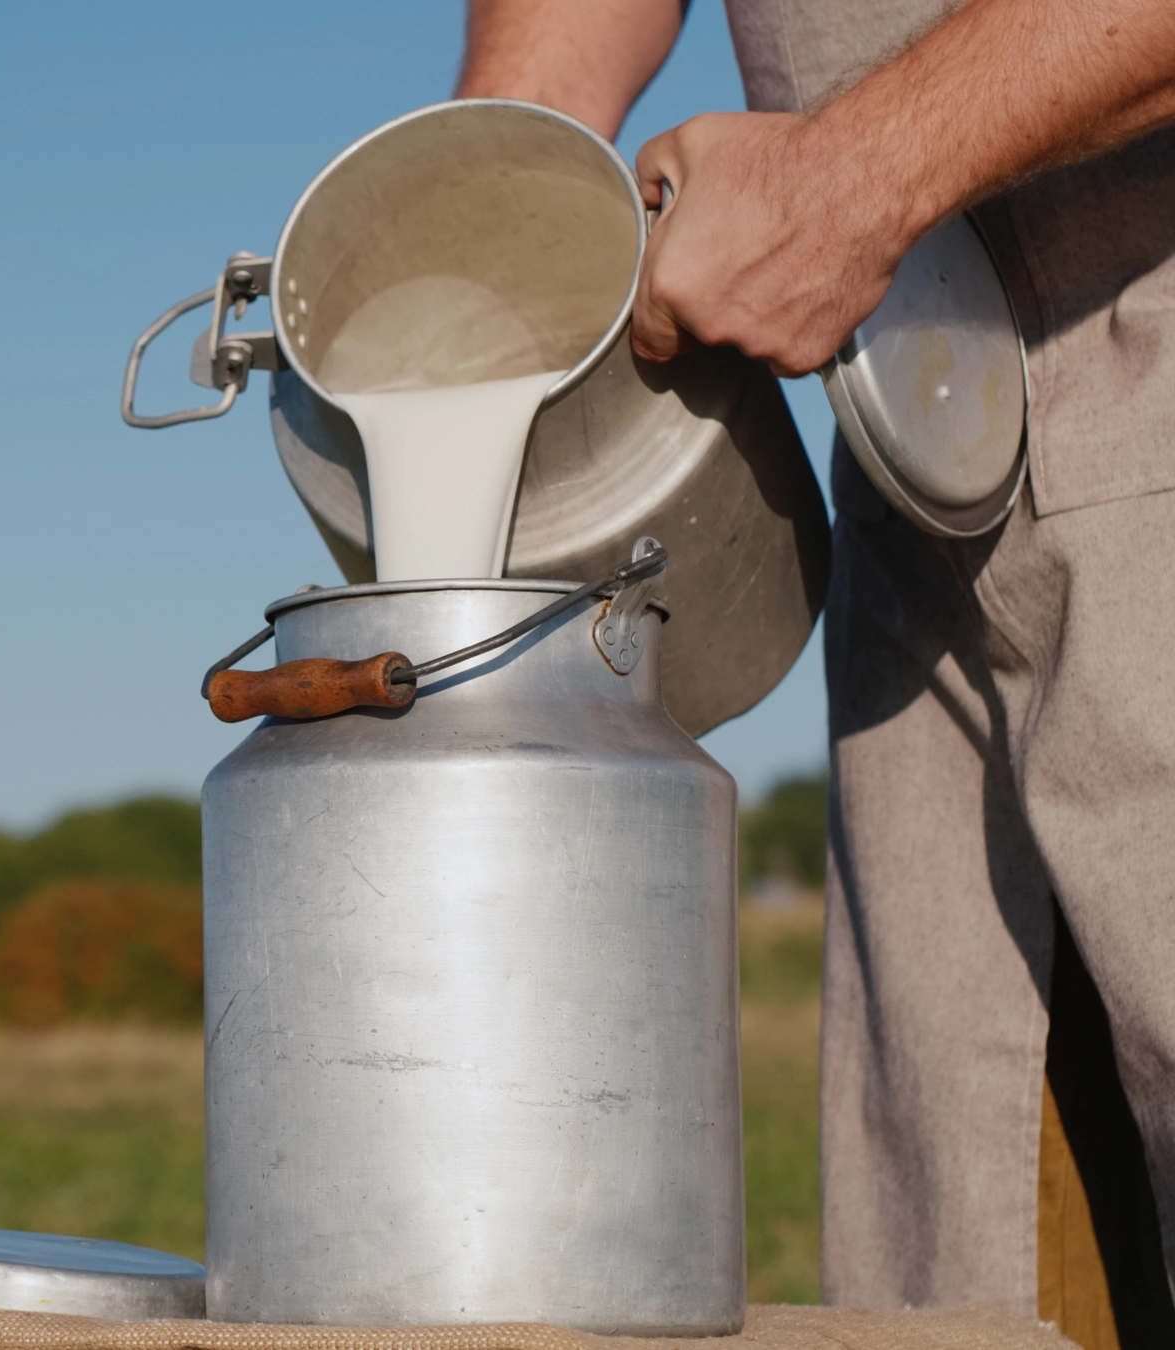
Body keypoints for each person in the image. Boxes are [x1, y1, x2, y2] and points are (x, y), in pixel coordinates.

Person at [456, 1, 1175, 1342]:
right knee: (955, 1253)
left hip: (1135, 303)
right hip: (906, 411)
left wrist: (856, 170)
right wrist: (505, 179)